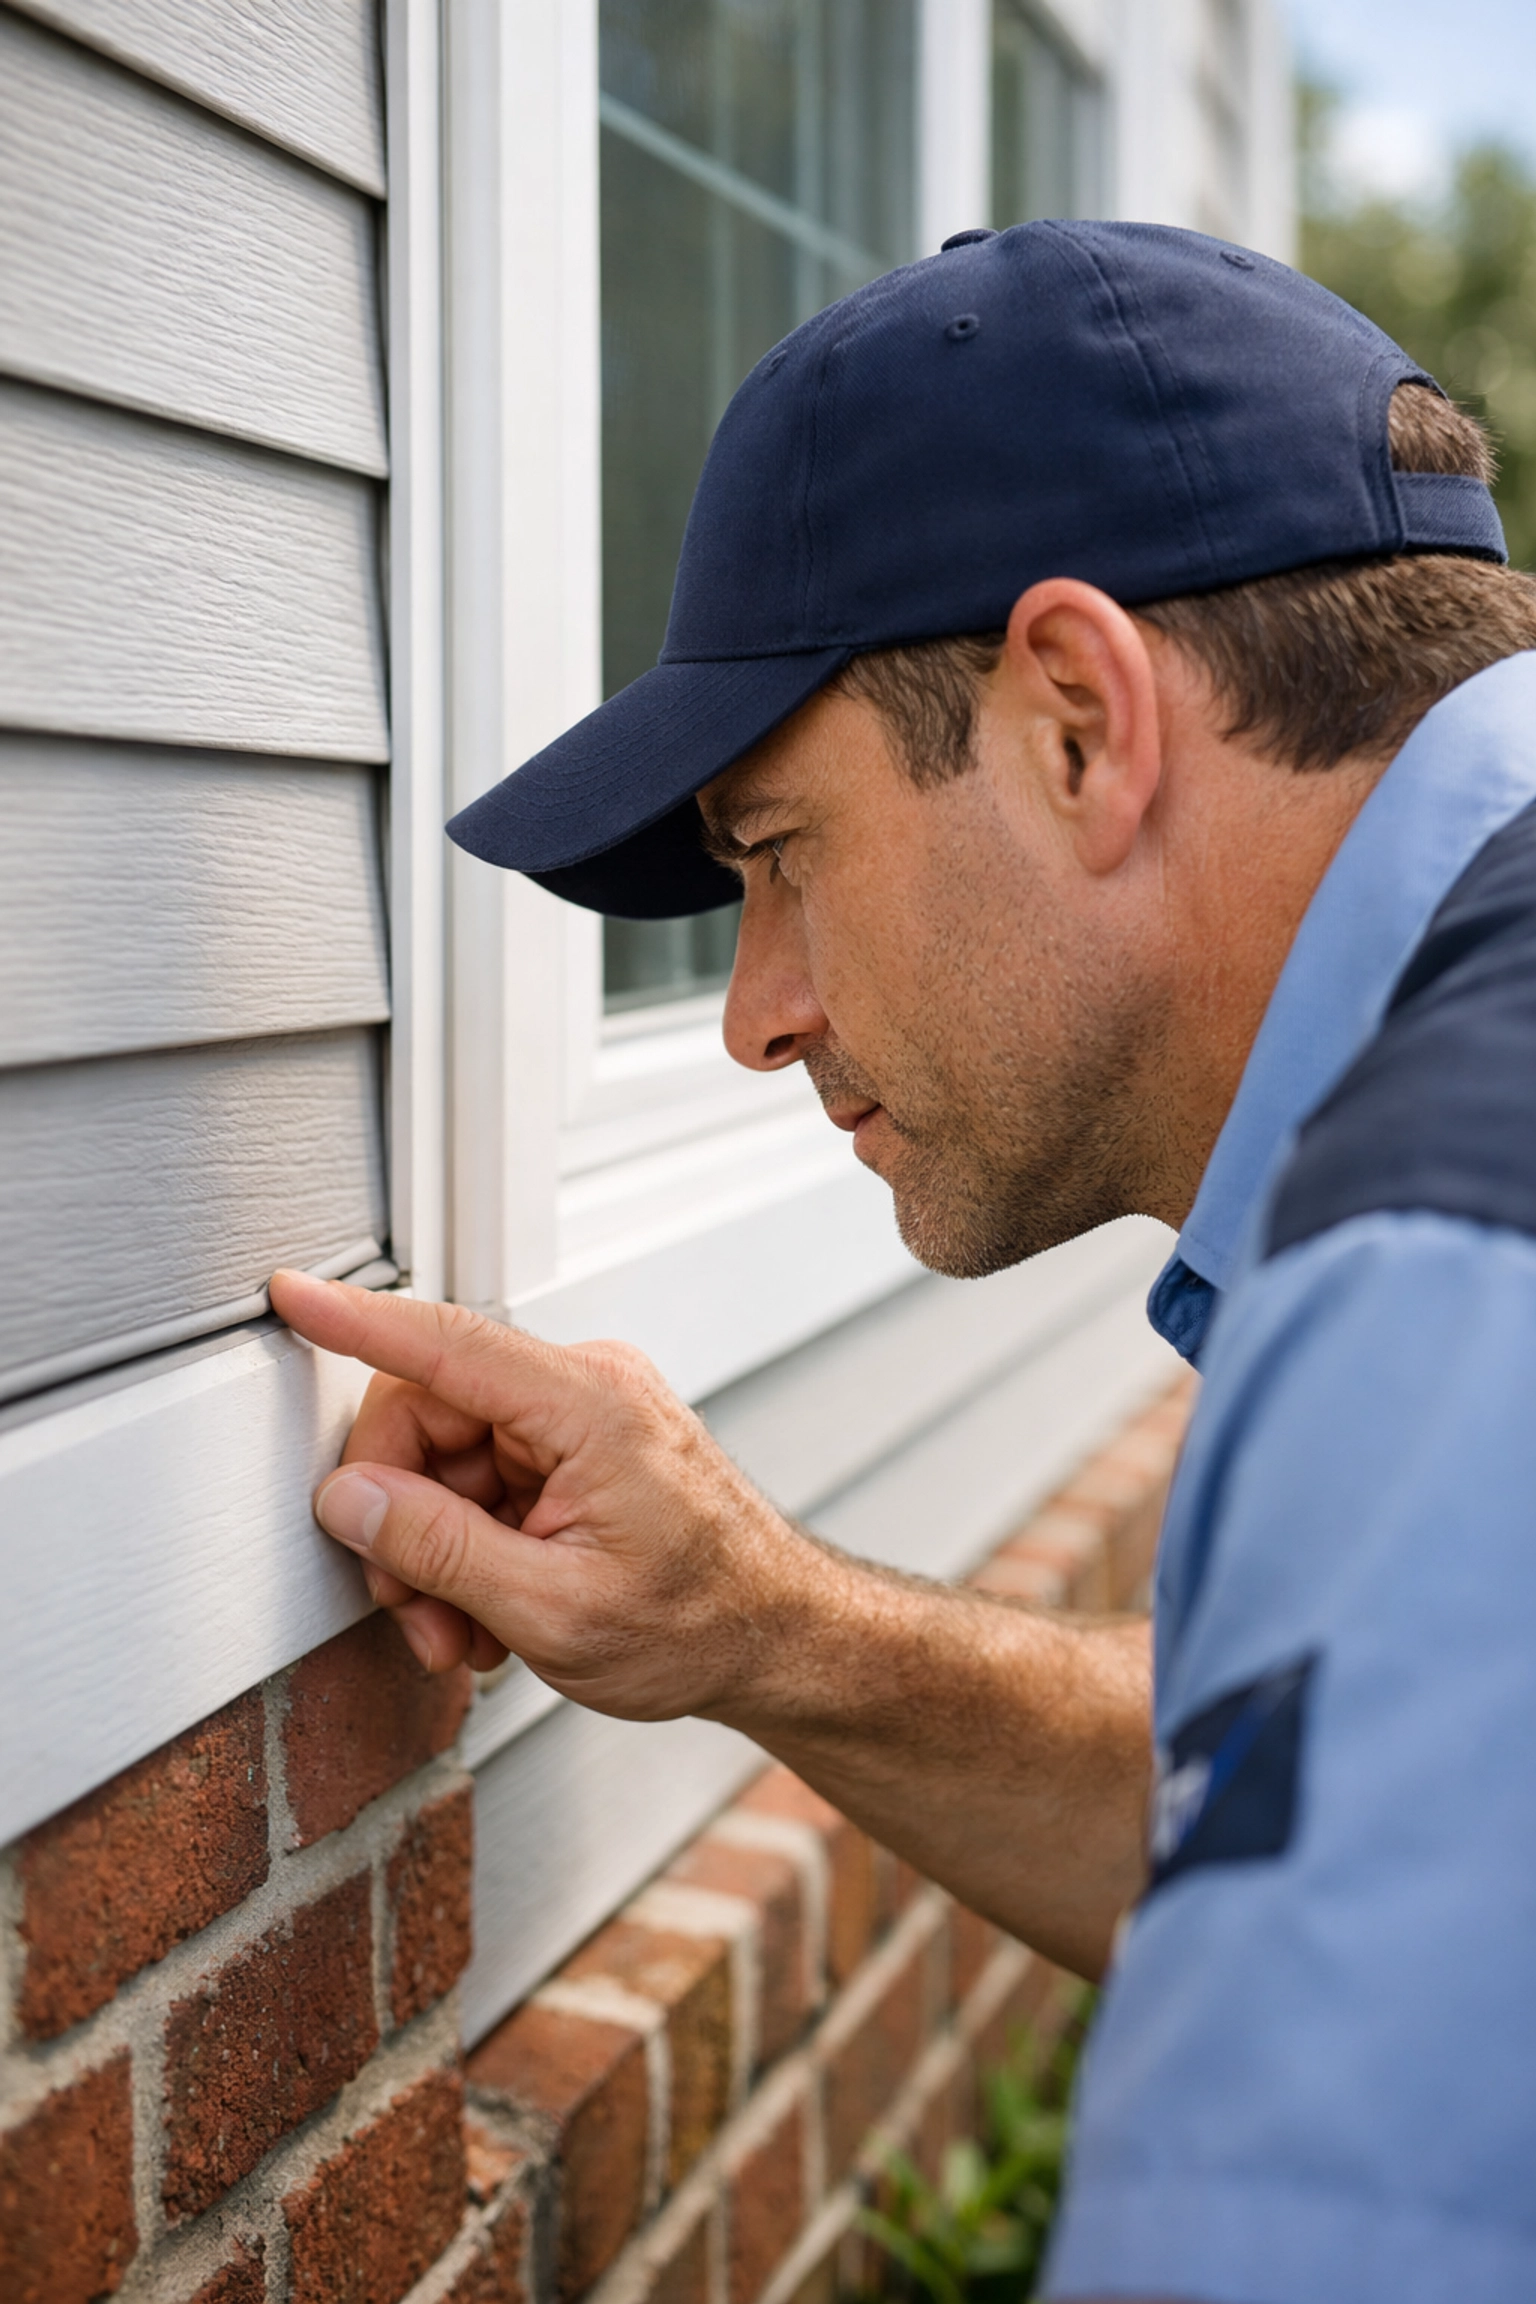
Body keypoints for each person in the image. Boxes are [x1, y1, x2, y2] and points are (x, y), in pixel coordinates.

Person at [271, 223, 1536, 2301]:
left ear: (1073, 719)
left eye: (776, 857)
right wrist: (758, 1621)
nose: (757, 1013)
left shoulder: (1449, 1260)